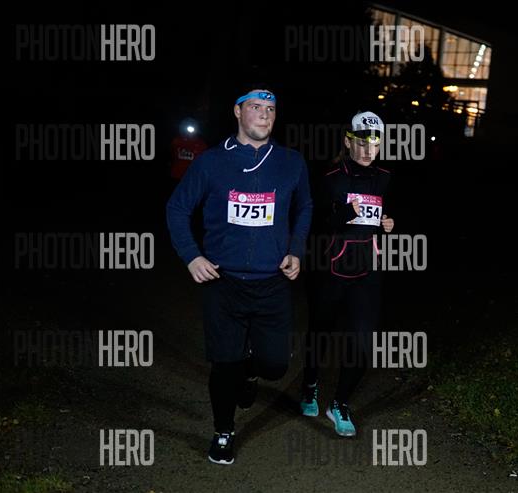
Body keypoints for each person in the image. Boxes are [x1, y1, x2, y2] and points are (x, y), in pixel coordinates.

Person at [166, 85, 313, 465]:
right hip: (223, 282)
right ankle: (223, 431)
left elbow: (305, 206)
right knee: (224, 364)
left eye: (271, 109)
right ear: (237, 112)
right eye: (256, 107)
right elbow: (177, 208)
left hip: (272, 283)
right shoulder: (211, 162)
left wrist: (296, 249)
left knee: (275, 366)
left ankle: (251, 370)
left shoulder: (291, 162)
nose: (264, 114)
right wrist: (191, 256)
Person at [300, 111, 394, 437]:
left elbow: (387, 213)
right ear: (348, 142)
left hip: (368, 270)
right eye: (362, 142)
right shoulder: (329, 177)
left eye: (375, 143)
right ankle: (310, 383)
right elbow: (313, 223)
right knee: (321, 332)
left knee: (364, 343)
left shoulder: (385, 177)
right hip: (330, 269)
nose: (368, 150)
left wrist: (390, 222)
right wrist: (339, 215)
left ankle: (339, 403)